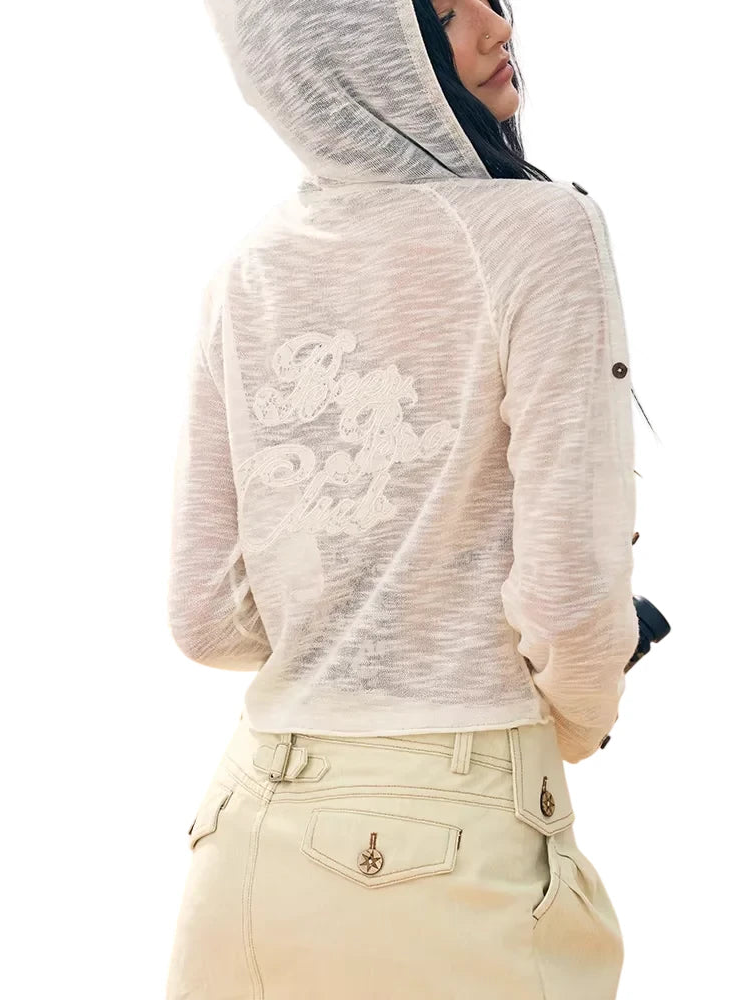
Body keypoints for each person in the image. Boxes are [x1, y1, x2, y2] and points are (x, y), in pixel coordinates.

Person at [164, 2, 641, 997]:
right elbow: (568, 603)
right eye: (441, 12)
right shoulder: (540, 233)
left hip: (244, 844)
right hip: (452, 856)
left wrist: (358, 632)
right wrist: (571, 724)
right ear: (357, 45)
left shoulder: (247, 271)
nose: (495, 26)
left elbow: (204, 618)